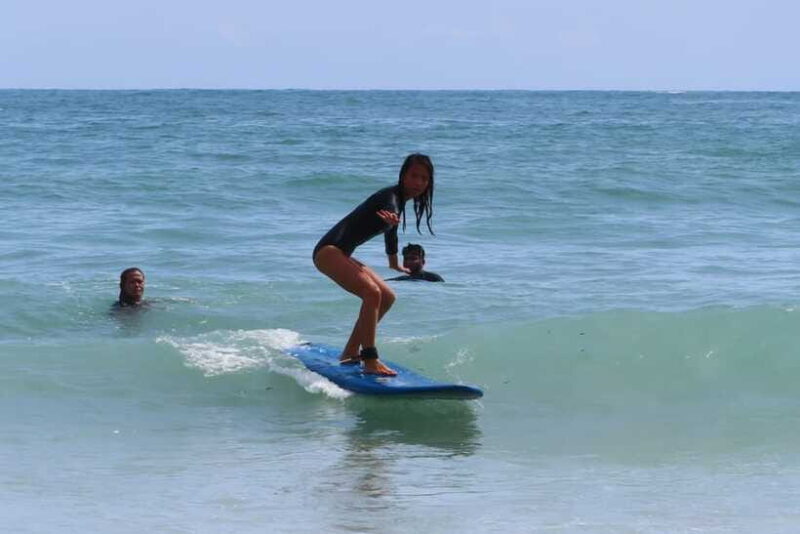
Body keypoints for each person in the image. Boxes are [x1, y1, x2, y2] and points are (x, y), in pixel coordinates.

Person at [313, 154, 435, 376]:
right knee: (372, 293)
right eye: (414, 176)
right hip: (328, 252)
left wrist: (394, 264)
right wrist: (391, 217)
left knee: (387, 296)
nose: (418, 182)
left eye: (424, 178)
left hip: (341, 253)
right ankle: (370, 359)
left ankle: (350, 352)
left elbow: (391, 232)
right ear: (403, 176)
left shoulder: (398, 201)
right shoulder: (390, 198)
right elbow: (389, 213)